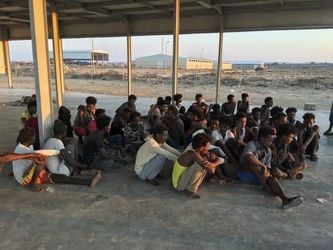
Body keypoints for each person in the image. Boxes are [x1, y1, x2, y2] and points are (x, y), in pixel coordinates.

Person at [13, 128, 102, 192]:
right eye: (34, 137)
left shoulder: (26, 145)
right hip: (24, 178)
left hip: (30, 173)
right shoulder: (22, 150)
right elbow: (38, 153)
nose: (35, 138)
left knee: (61, 178)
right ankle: (33, 185)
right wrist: (57, 152)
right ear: (30, 139)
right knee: (41, 159)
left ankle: (87, 182)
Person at [239, 126, 303, 209]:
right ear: (262, 138)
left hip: (260, 176)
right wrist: (262, 166)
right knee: (253, 162)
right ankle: (268, 185)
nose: (271, 143)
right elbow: (249, 157)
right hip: (245, 173)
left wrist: (266, 173)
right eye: (269, 140)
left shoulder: (268, 150)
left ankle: (284, 199)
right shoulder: (252, 144)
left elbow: (268, 167)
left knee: (272, 179)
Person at [172, 133, 221, 199]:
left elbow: (216, 160)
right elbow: (211, 171)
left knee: (204, 162)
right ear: (201, 147)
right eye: (207, 146)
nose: (208, 148)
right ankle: (189, 191)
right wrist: (213, 162)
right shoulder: (194, 155)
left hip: (178, 181)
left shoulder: (193, 151)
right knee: (201, 166)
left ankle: (191, 186)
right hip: (178, 185)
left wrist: (212, 160)